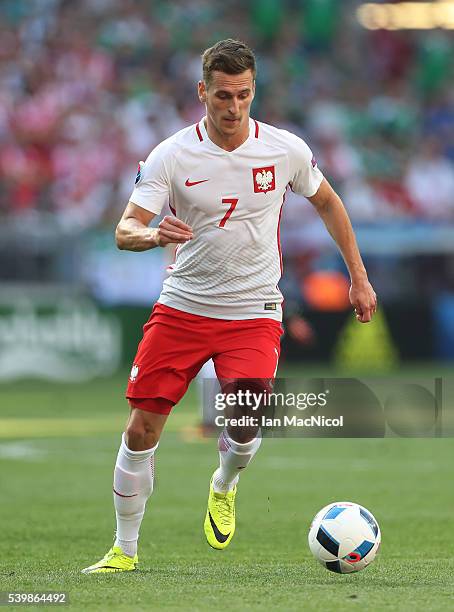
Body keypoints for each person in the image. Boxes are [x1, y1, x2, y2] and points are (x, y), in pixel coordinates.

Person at [82, 39, 377, 573]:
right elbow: (125, 229)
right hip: (184, 307)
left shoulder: (284, 149)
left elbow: (329, 202)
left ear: (253, 91)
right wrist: (151, 236)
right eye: (222, 95)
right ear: (202, 92)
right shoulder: (170, 155)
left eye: (243, 95)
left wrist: (358, 277)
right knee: (140, 430)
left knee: (244, 422)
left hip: (254, 310)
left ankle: (224, 482)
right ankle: (123, 551)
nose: (233, 106)